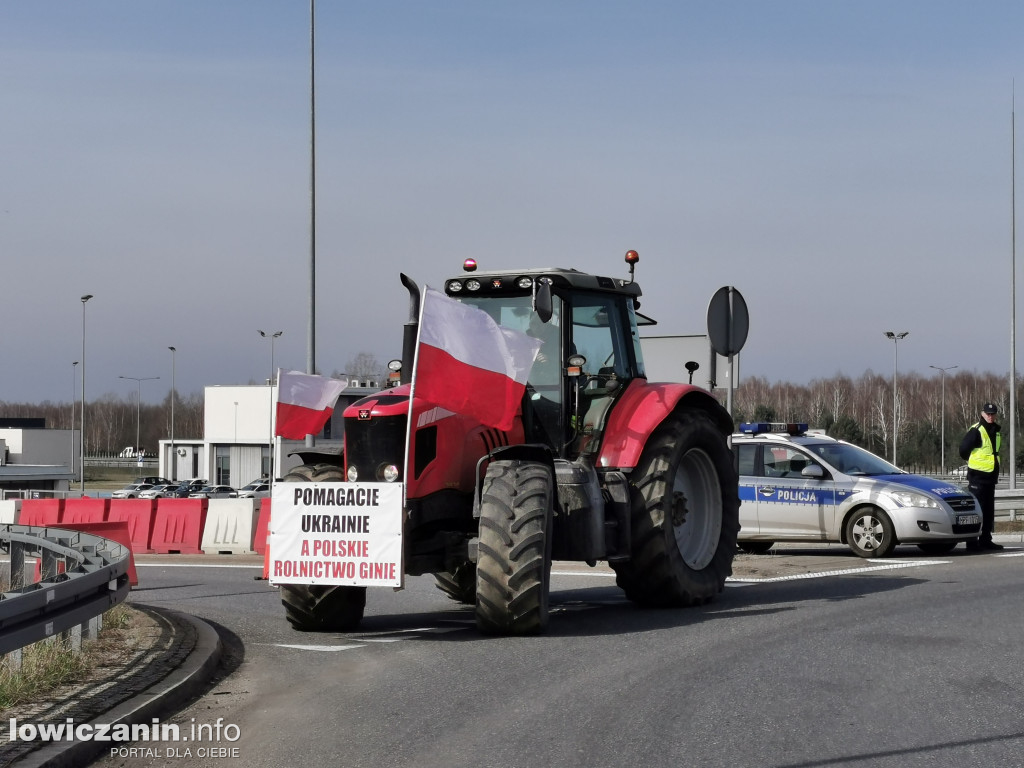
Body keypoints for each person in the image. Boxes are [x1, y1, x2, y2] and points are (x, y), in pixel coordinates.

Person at [958, 402, 1004, 551]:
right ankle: (972, 543)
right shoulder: (977, 430)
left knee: (988, 511)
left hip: (990, 476)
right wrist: (971, 462)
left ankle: (986, 540)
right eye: (988, 414)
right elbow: (963, 449)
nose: (990, 416)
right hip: (977, 476)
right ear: (982, 414)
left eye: (993, 414)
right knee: (976, 510)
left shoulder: (995, 431)